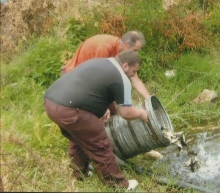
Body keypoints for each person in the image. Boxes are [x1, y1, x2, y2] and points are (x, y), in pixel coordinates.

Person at [44, 50, 148, 190]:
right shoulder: (120, 77)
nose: (133, 75)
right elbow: (127, 113)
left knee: (79, 138)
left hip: (51, 103)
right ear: (125, 66)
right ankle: (118, 185)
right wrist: (142, 113)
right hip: (70, 110)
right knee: (100, 144)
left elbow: (98, 92)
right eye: (134, 71)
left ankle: (80, 173)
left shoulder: (101, 62)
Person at [61, 30, 163, 160]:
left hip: (96, 81)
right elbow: (95, 79)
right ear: (126, 44)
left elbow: (135, 78)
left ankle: (117, 149)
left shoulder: (124, 55)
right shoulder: (104, 48)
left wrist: (149, 100)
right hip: (75, 80)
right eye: (136, 50)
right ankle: (85, 159)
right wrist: (102, 109)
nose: (136, 53)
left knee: (114, 116)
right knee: (84, 122)